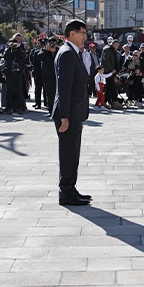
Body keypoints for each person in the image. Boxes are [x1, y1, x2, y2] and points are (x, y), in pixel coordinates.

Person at [52, 19, 92, 206]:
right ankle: (66, 192)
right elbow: (64, 88)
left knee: (73, 152)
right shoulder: (68, 53)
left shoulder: (73, 52)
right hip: (69, 114)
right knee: (68, 153)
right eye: (83, 33)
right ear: (72, 33)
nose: (85, 37)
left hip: (75, 112)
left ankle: (71, 188)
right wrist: (64, 116)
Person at [39, 37, 60, 114]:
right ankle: (51, 110)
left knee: (57, 94)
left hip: (57, 76)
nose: (52, 44)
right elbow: (39, 57)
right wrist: (47, 50)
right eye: (51, 43)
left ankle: (58, 110)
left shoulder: (58, 50)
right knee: (49, 94)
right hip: (48, 76)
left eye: (54, 43)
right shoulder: (44, 50)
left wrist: (54, 51)